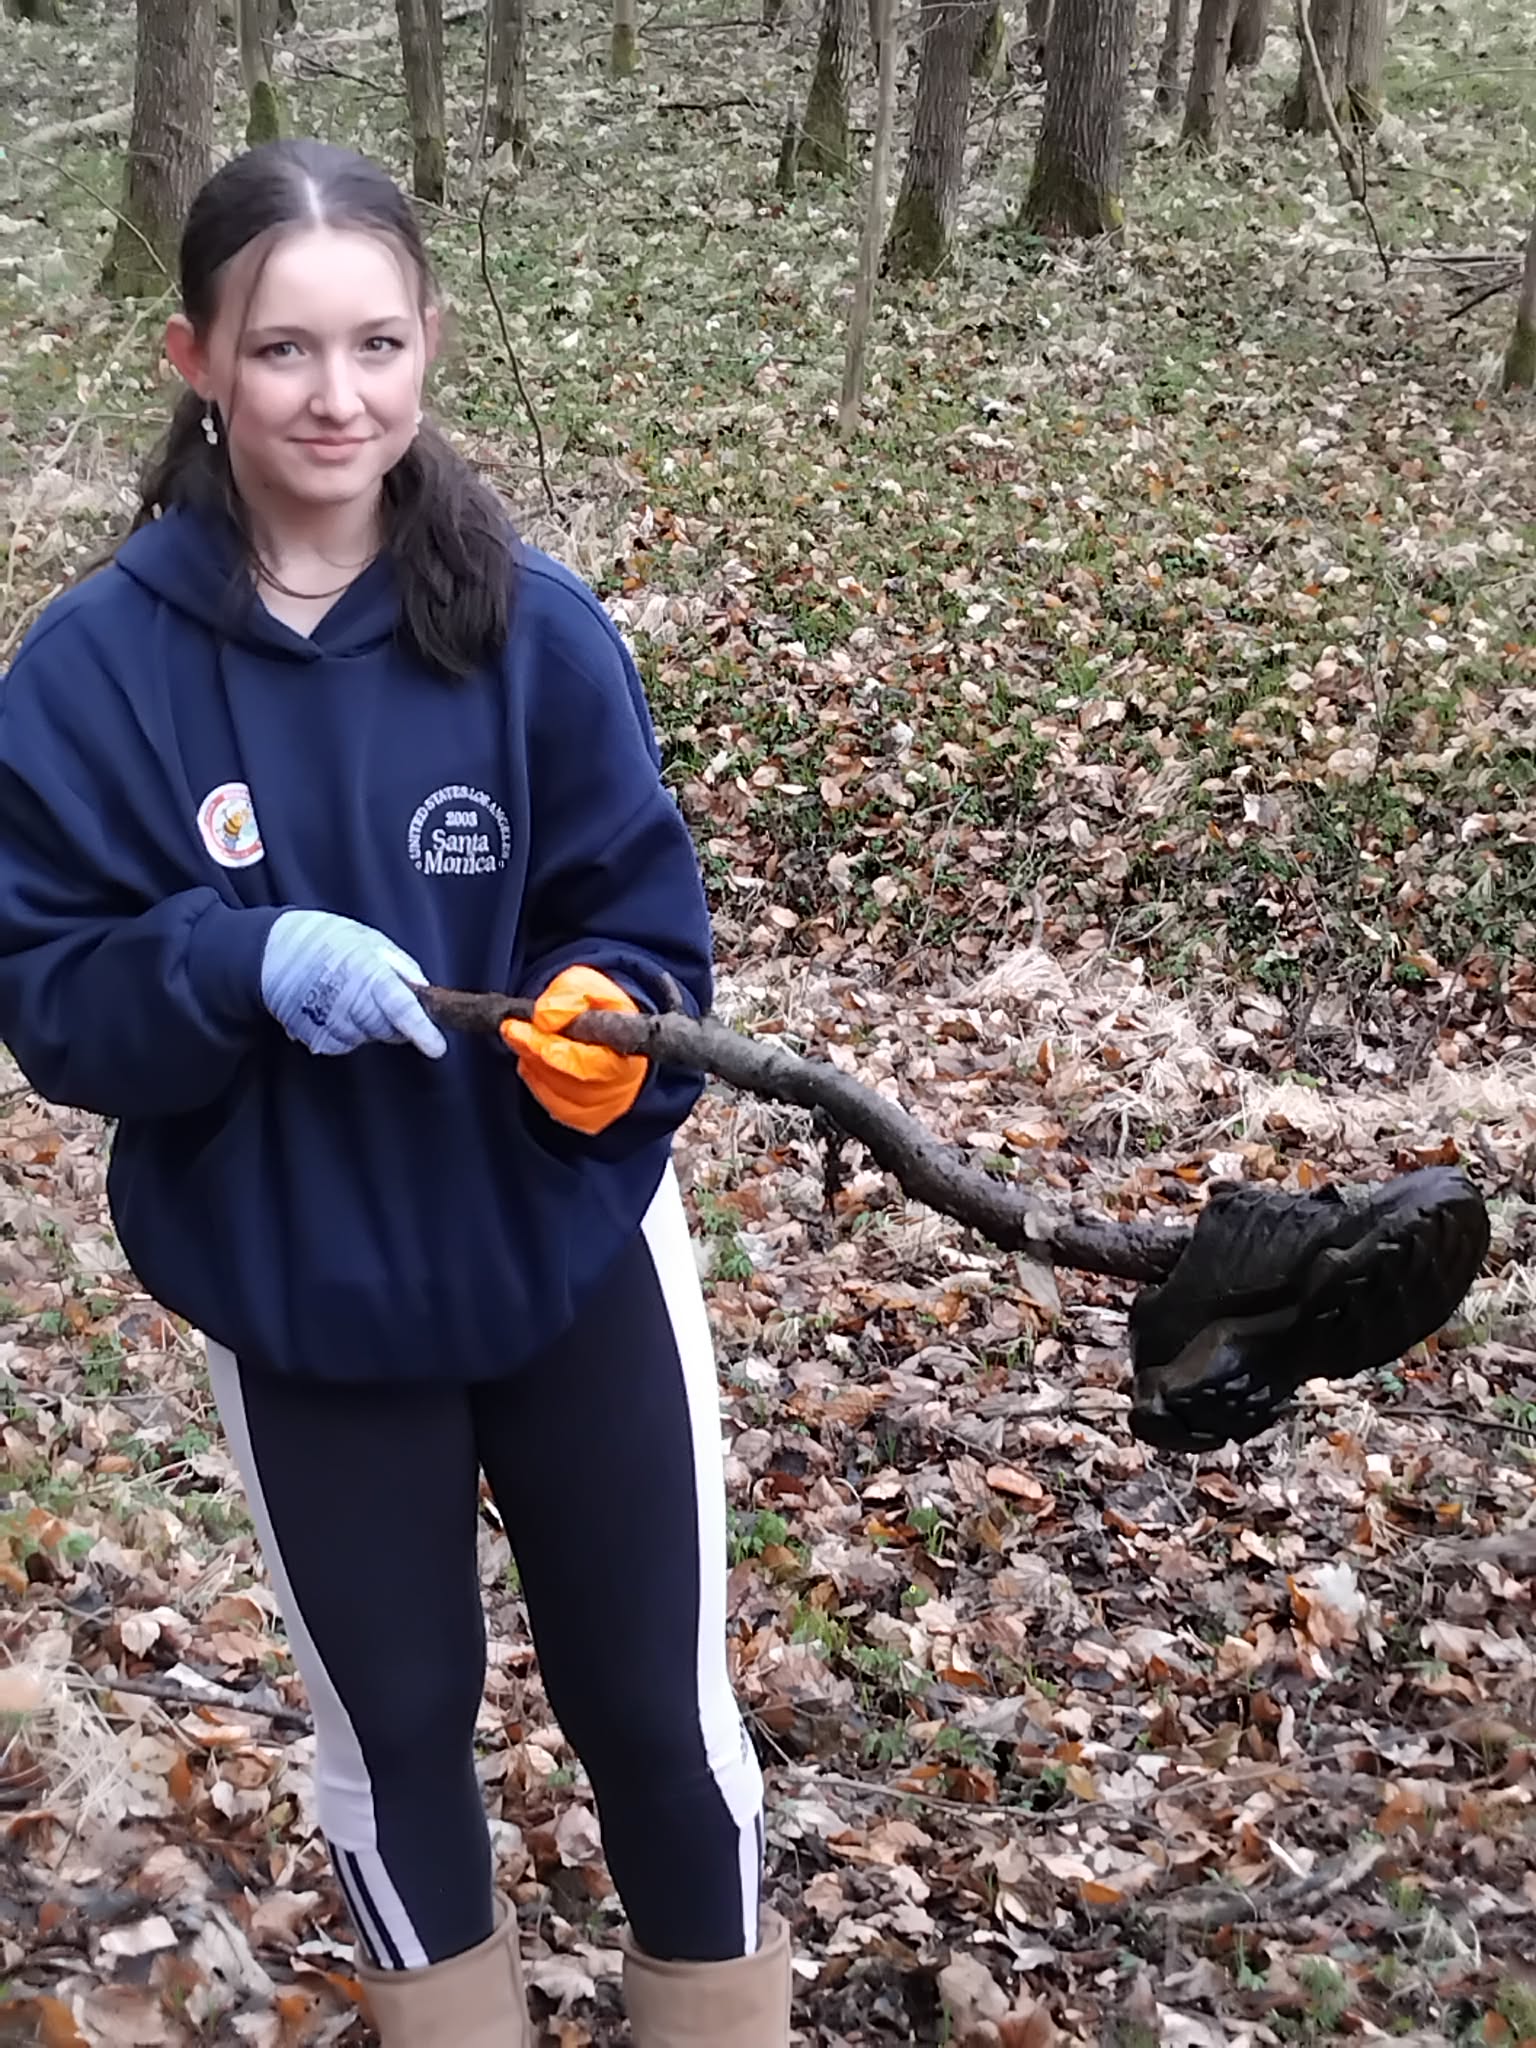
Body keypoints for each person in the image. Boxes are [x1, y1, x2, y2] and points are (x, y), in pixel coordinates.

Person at [0, 138, 790, 2048]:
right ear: (197, 359)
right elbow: (53, 997)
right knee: (400, 1724)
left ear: (429, 340)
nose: (335, 396)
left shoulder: (535, 628)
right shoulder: (93, 673)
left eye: (376, 344)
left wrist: (607, 1031)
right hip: (304, 1283)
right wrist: (234, 961)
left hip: (568, 1246)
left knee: (653, 1707)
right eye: (283, 349)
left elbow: (644, 926)